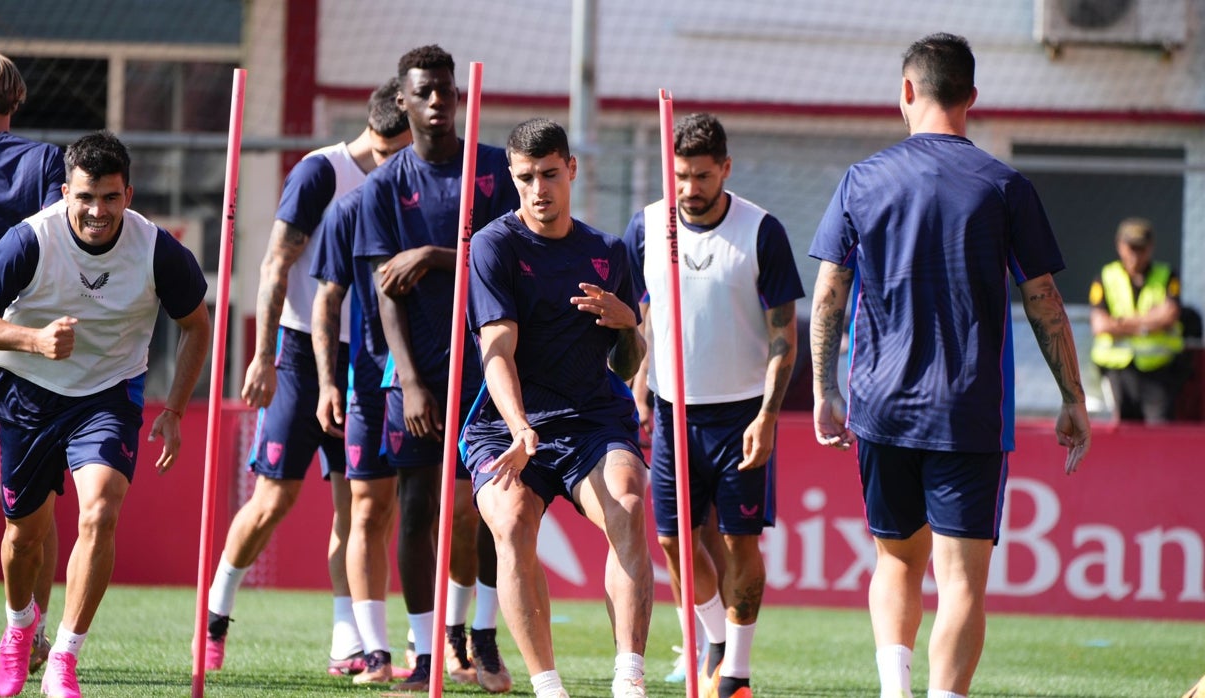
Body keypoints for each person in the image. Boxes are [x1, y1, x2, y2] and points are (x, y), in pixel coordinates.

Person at [808, 34, 1090, 698]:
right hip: (967, 411)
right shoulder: (1004, 185)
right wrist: (1073, 397)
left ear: (907, 91)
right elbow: (1043, 297)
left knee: (896, 562)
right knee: (961, 579)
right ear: (972, 97)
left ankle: (894, 690)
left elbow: (827, 292)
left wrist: (823, 388)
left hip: (881, 406)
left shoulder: (863, 178)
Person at [0, 130, 209, 698]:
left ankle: (64, 660)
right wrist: (32, 339)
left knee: (100, 510)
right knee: (24, 538)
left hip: (108, 393)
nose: (97, 211)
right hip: (28, 391)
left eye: (109, 197)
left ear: (128, 193)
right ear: (65, 193)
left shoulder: (155, 248)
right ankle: (21, 628)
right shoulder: (31, 239)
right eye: (85, 197)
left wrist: (173, 408)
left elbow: (197, 324)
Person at [200, 81, 412, 677]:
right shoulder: (322, 172)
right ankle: (215, 614)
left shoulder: (408, 181)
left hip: (369, 359)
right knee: (275, 498)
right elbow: (274, 264)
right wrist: (262, 355)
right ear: (392, 131)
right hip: (298, 351)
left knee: (358, 504)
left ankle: (348, 642)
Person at [464, 117, 652, 698]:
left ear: (571, 169)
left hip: (592, 420)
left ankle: (629, 678)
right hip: (507, 423)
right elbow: (496, 350)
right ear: (513, 180)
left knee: (626, 505)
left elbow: (624, 361)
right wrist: (520, 427)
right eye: (525, 178)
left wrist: (631, 326)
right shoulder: (493, 245)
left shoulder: (608, 252)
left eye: (549, 174)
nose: (538, 189)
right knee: (514, 521)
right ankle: (548, 687)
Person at [624, 112, 803, 698]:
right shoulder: (646, 227)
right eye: (680, 176)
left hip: (741, 414)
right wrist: (641, 380)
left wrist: (768, 418)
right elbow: (638, 314)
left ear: (725, 168)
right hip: (674, 413)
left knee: (737, 543)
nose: (690, 190)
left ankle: (737, 672)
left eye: (702, 176)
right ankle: (714, 637)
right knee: (674, 542)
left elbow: (785, 336)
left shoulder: (761, 231)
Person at [355, 44, 515, 692]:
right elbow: (384, 288)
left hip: (488, 367)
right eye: (425, 92)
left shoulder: (496, 168)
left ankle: (484, 638)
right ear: (403, 100)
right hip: (415, 374)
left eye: (447, 90)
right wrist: (411, 380)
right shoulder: (382, 187)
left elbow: (507, 260)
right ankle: (424, 657)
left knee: (495, 508)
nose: (438, 101)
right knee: (418, 508)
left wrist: (436, 252)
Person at [0, 50, 65, 681]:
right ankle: (38, 634)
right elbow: (59, 238)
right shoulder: (45, 161)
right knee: (36, 504)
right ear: (16, 98)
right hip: (24, 345)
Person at [309, 77, 412, 685]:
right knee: (366, 508)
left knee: (444, 511)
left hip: (442, 376)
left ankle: (450, 641)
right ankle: (372, 651)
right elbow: (328, 301)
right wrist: (327, 382)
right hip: (367, 378)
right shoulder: (350, 207)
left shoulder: (447, 197)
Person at [1089, 217, 1184, 424]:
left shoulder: (1167, 275)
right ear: (1119, 246)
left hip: (1158, 370)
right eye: (1131, 247)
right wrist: (1149, 322)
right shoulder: (1106, 276)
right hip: (1116, 370)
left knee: (1160, 433)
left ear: (1150, 248)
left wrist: (1120, 323)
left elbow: (1169, 315)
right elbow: (1100, 324)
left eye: (1140, 248)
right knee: (1122, 433)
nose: (1135, 254)